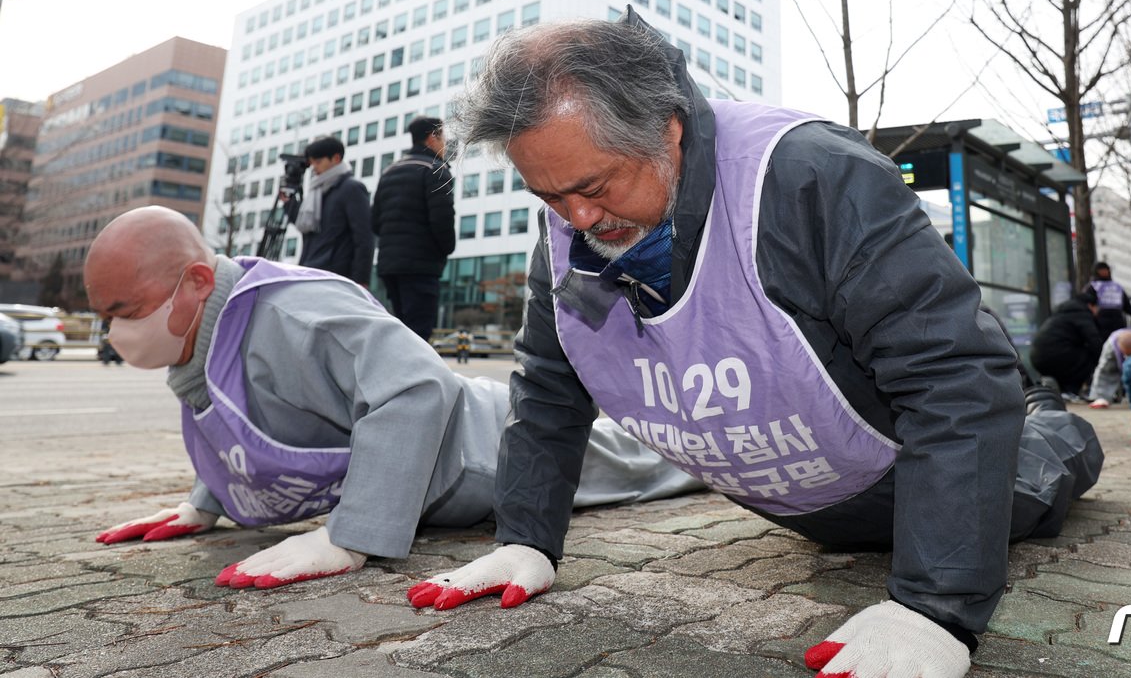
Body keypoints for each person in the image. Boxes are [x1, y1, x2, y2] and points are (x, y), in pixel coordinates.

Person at [404, 12, 1102, 678]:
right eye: (550, 197)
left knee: (1041, 456)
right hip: (810, 504)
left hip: (924, 476)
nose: (577, 218)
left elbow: (952, 382)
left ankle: (1049, 414)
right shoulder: (571, 231)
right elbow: (548, 391)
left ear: (666, 131)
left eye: (592, 186)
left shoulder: (813, 176)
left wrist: (936, 605)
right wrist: (524, 536)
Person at [82, 206, 700, 590]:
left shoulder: (295, 313)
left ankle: (726, 445)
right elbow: (247, 419)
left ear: (195, 283)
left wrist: (347, 539)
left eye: (125, 312)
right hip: (439, 469)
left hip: (483, 448)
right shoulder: (209, 334)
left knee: (659, 457)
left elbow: (417, 385)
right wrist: (207, 501)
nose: (115, 333)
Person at [371, 116, 456, 341]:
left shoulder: (389, 171)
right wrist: (446, 248)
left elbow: (375, 222)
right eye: (443, 138)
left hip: (390, 265)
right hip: (421, 265)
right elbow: (442, 219)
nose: (445, 144)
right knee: (419, 332)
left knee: (401, 328)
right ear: (432, 137)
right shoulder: (435, 170)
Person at [284, 136, 373, 287]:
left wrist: (361, 280)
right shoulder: (317, 191)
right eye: (312, 163)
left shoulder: (351, 188)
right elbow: (305, 226)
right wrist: (289, 203)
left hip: (337, 275)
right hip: (310, 270)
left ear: (336, 158)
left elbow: (364, 237)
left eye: (318, 162)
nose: (315, 168)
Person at [1029, 288, 1103, 398]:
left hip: (1037, 357)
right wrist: (1102, 362)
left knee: (1072, 357)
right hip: (1057, 356)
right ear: (1091, 306)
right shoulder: (1082, 314)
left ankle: (1062, 391)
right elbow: (1094, 341)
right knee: (1089, 358)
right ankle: (1070, 391)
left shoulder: (1062, 313)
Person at [1085, 261, 1130, 340]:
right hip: (1100, 325)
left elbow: (1127, 306)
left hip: (1117, 323)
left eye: (1106, 269)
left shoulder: (1116, 286)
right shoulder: (1092, 287)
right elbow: (1087, 304)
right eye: (1101, 269)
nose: (1104, 271)